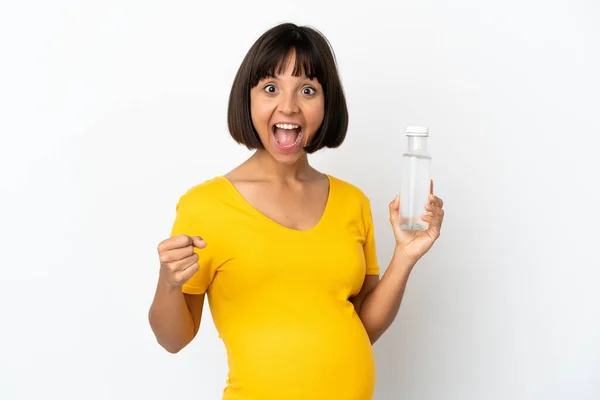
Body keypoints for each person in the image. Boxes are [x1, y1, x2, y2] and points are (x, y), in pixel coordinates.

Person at [148, 22, 445, 400]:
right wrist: (168, 282)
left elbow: (363, 326)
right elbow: (173, 340)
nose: (288, 106)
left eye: (307, 90)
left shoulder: (351, 201)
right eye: (270, 88)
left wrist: (404, 257)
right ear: (248, 99)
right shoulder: (206, 205)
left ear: (327, 103)